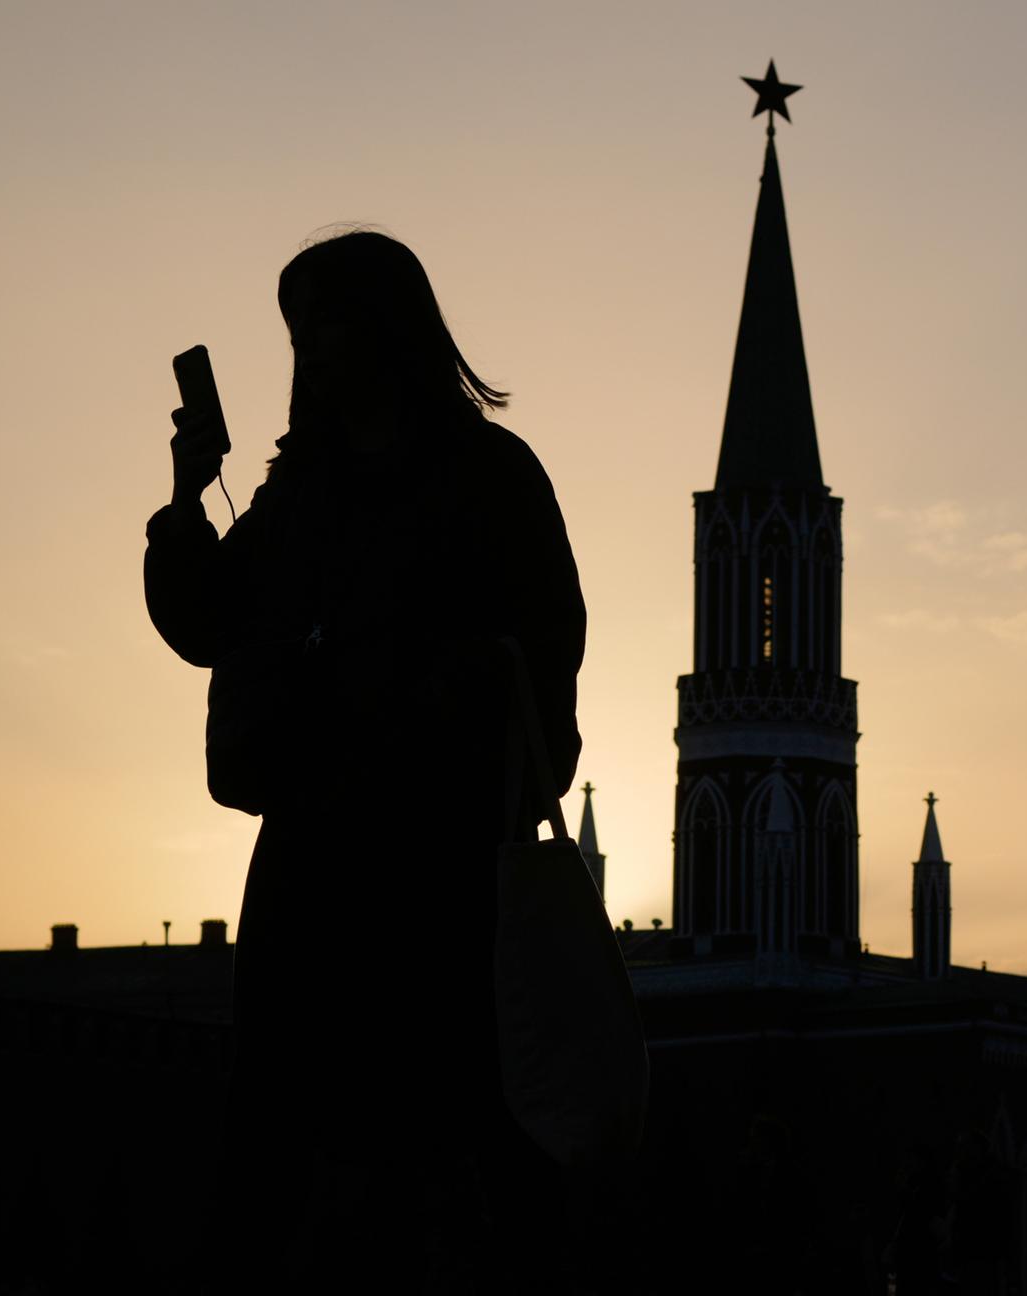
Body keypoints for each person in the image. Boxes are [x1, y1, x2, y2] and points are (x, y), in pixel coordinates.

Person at [144, 230, 587, 1290]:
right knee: (274, 1163)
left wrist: (448, 690)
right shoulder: (303, 492)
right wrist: (184, 500)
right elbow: (205, 618)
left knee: (462, 1162)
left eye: (323, 328)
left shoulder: (488, 477)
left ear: (380, 333)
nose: (307, 354)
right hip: (309, 873)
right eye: (298, 334)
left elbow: (545, 662)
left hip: (439, 879)